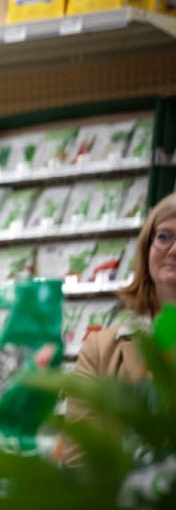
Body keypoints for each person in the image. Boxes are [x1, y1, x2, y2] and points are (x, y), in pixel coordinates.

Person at [61, 191, 176, 467]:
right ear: (146, 248)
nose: (173, 250)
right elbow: (79, 454)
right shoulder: (102, 348)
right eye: (164, 237)